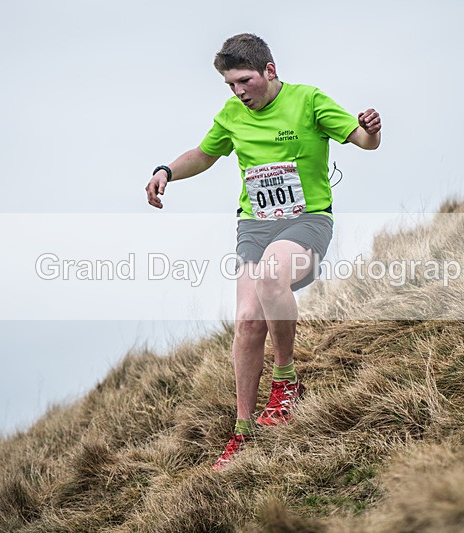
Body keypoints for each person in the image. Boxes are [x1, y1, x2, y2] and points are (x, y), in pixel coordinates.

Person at [145, 33, 381, 471]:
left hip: (306, 222)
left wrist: (370, 133)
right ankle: (243, 431)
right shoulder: (232, 113)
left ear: (269, 71)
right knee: (248, 321)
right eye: (230, 85)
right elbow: (203, 154)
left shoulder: (308, 100)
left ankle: (286, 380)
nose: (238, 91)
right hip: (255, 226)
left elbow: (362, 142)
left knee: (273, 274)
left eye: (244, 81)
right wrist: (165, 171)